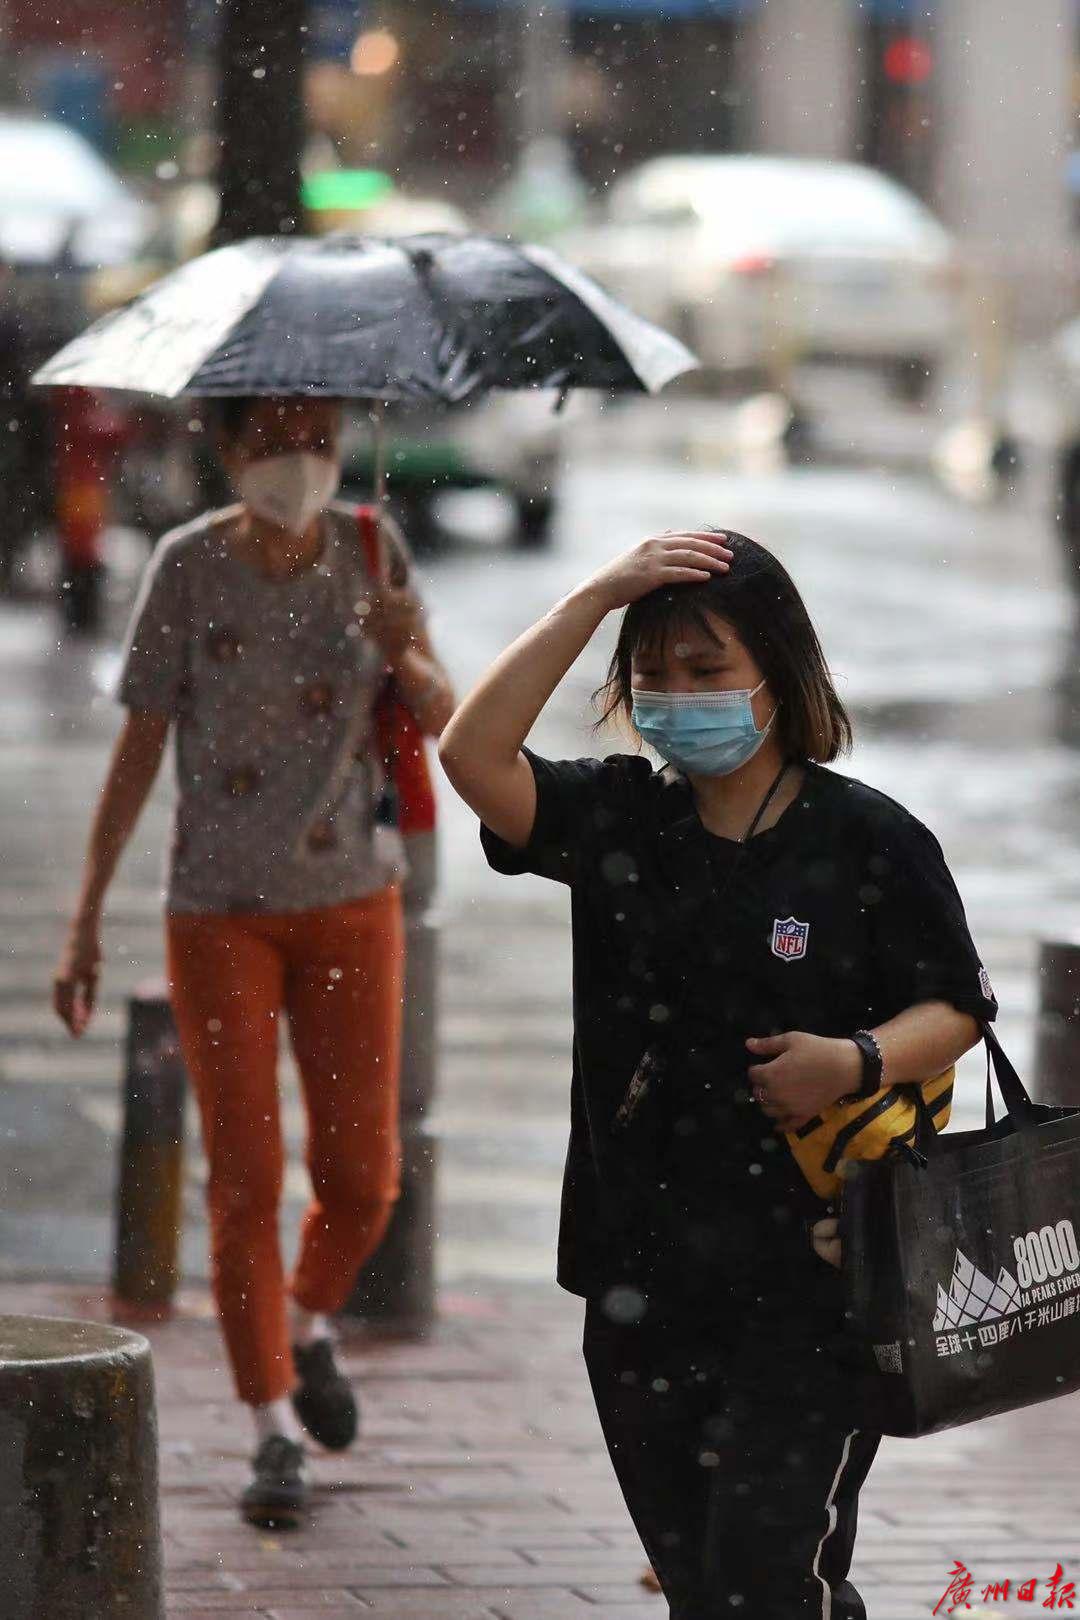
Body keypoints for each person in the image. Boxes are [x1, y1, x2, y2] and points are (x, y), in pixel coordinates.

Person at [438, 528, 997, 1619]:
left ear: (777, 681)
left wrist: (856, 1059)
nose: (675, 696)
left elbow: (959, 1009)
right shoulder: (619, 818)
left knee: (761, 1576)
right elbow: (471, 756)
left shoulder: (868, 839)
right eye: (652, 673)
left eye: (706, 672)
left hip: (817, 1273)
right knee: (702, 1580)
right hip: (639, 1272)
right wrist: (594, 599)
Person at [53, 395, 455, 1528]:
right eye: (274, 444)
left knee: (365, 1177)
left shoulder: (373, 548)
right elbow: (138, 746)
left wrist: (405, 648)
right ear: (226, 454)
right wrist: (86, 917)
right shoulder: (185, 567)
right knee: (243, 1182)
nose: (300, 466)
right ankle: (271, 1423)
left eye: (320, 443)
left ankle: (309, 1319)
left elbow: (441, 713)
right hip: (217, 913)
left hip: (351, 903)